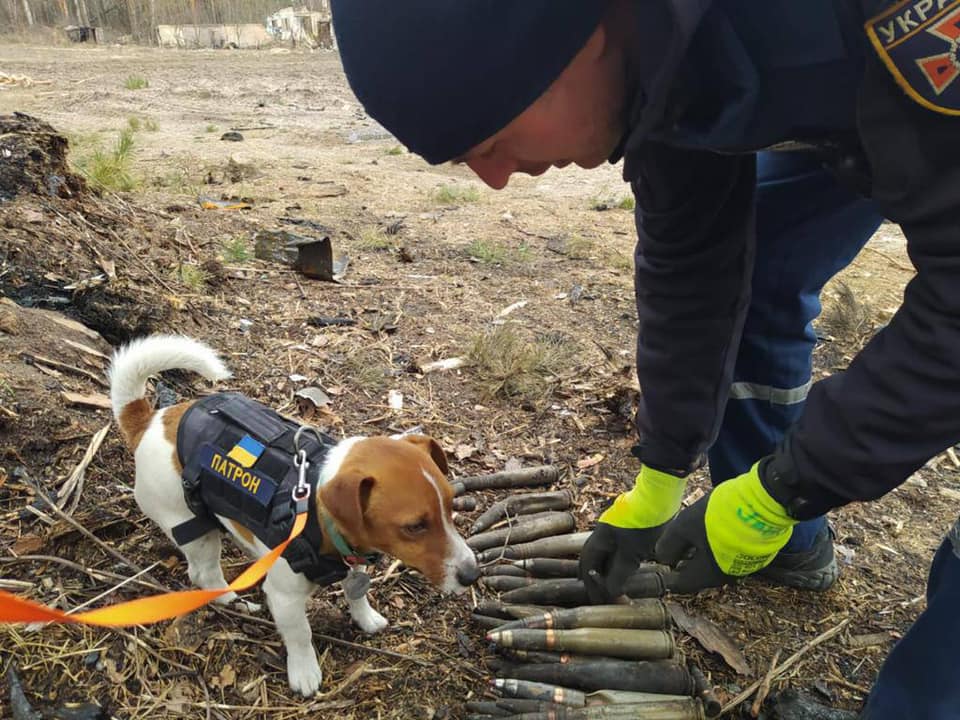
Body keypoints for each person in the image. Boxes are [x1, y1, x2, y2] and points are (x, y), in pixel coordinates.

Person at [329, 1, 960, 717]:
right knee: (764, 270)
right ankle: (790, 545)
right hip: (846, 98)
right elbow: (693, 260)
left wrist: (791, 483)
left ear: (584, 40)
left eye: (493, 140)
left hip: (893, 83)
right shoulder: (653, 54)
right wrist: (664, 467)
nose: (496, 179)